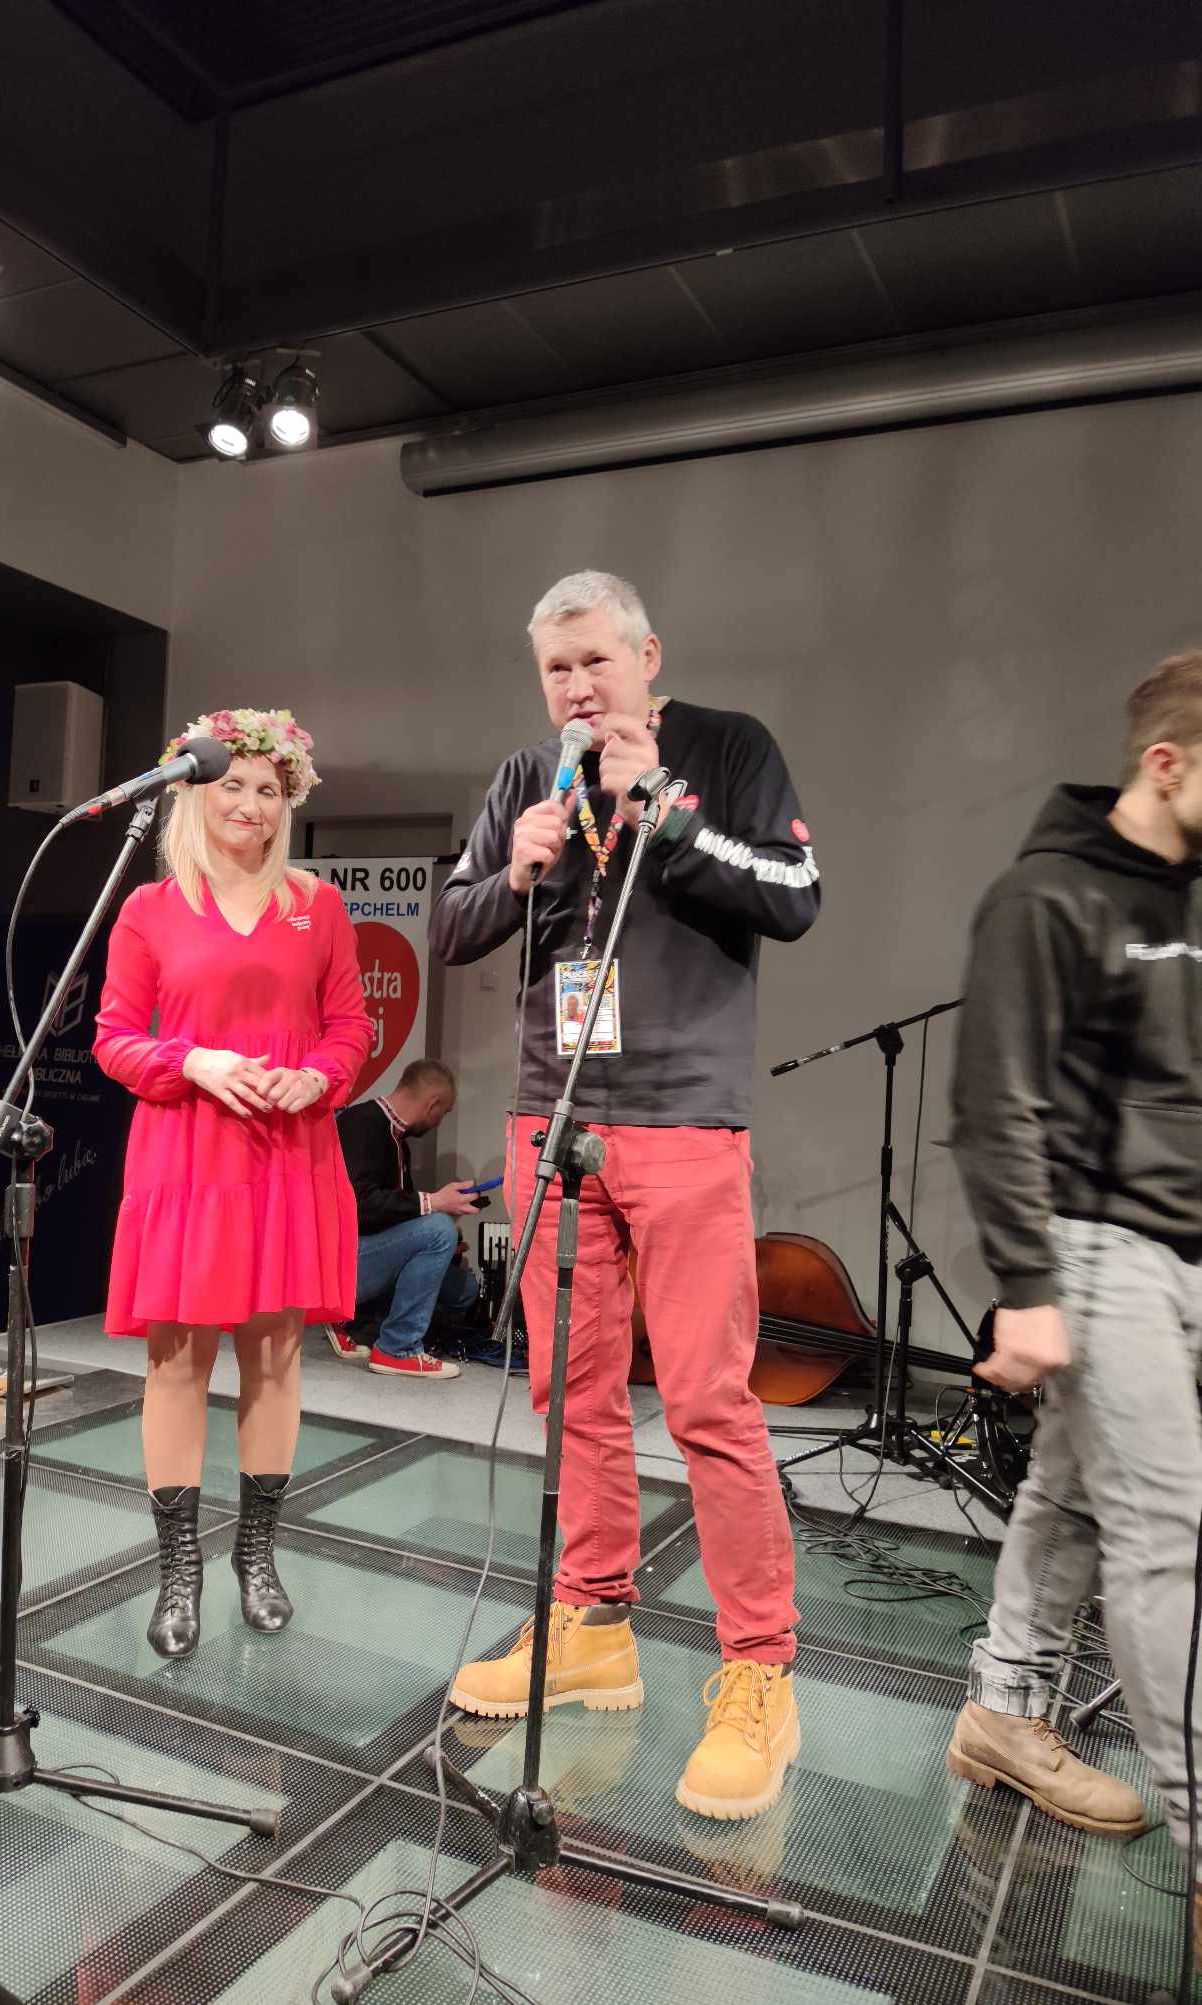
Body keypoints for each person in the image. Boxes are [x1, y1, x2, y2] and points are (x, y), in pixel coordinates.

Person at [430, 569, 820, 1820]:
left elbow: (794, 897)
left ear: (647, 656)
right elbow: (450, 927)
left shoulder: (729, 750)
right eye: (557, 667)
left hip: (684, 1118)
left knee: (706, 1398)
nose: (577, 686)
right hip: (552, 1118)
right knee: (571, 1392)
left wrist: (667, 814)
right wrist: (515, 874)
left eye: (596, 659)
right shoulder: (524, 778)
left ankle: (758, 1669)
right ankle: (592, 1623)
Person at [947, 652, 1202, 1878]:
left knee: (1074, 1491)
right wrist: (1030, 1289)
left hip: (1187, 1240)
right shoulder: (1045, 897)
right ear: (1165, 764)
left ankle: (1002, 1709)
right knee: (1166, 1531)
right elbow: (993, 1104)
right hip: (1103, 1245)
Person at [94, 708, 372, 1660]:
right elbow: (114, 1039)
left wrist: (320, 1077)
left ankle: (257, 1552)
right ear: (193, 792)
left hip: (288, 1156)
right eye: (233, 785)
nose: (250, 804)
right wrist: (194, 1061)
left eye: (268, 789)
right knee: (177, 1362)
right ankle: (179, 1567)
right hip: (186, 1154)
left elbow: (351, 1027)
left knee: (276, 1356)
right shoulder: (149, 909)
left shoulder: (318, 906)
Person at [329, 1059, 480, 1379]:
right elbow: (358, 1205)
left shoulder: (396, 1139)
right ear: (432, 1104)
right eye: (444, 1113)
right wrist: (433, 1204)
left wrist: (437, 1214)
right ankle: (398, 1348)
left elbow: (395, 1216)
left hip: (365, 1252)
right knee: (438, 1230)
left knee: (463, 1289)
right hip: (338, 1262)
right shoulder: (361, 1124)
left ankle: (361, 1320)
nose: (440, 1121)